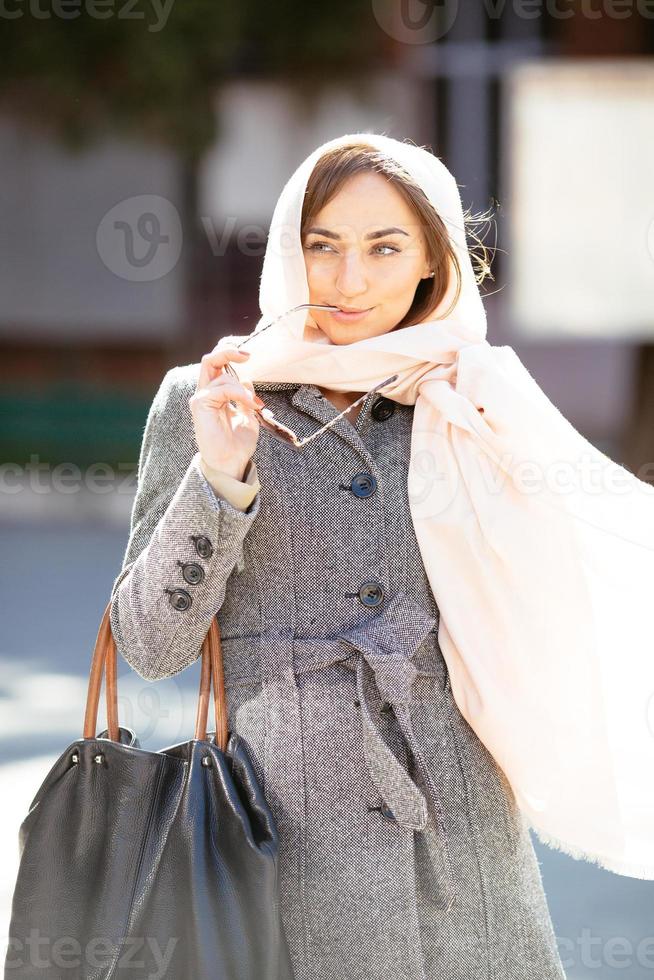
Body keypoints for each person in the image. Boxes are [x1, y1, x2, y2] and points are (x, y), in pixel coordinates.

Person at [110, 133, 654, 979]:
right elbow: (150, 646)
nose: (348, 280)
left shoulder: (470, 398)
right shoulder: (211, 396)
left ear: (435, 263)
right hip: (281, 828)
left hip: (463, 829)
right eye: (321, 246)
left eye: (383, 247)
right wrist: (220, 476)